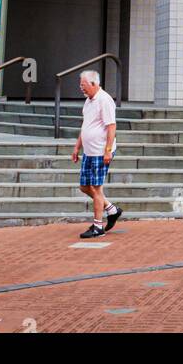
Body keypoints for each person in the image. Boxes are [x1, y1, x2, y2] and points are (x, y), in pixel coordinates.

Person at [72, 70, 122, 239]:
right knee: (84, 186)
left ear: (93, 83)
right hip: (89, 151)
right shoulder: (88, 101)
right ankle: (112, 210)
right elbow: (85, 125)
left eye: (83, 85)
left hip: (100, 151)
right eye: (80, 84)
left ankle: (98, 227)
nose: (81, 88)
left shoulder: (104, 100)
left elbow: (111, 126)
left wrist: (107, 150)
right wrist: (77, 147)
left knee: (96, 188)